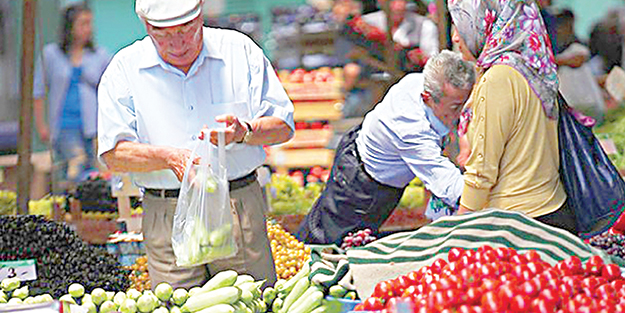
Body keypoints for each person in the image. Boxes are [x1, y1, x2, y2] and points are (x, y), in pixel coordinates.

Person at [97, 0, 294, 289]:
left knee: (252, 299)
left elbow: (283, 126)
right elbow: (114, 155)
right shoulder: (125, 69)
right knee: (177, 304)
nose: (177, 43)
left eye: (186, 29)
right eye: (162, 34)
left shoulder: (239, 51)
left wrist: (245, 131)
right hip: (167, 213)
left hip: (238, 205)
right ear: (145, 26)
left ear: (200, 13)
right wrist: (168, 158)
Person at [296, 50, 476, 245]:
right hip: (362, 185)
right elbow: (450, 187)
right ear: (427, 98)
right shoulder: (411, 127)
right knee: (328, 242)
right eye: (455, 107)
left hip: (363, 156)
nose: (461, 112)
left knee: (327, 225)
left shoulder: (420, 82)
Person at [449, 0, 576, 234]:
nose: (455, 37)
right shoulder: (530, 66)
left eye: (462, 24)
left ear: (486, 23)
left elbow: (482, 172)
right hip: (550, 209)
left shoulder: (498, 78)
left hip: (519, 223)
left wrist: (458, 230)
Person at [33, 3, 110, 186]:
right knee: (76, 165)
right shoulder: (51, 54)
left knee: (96, 172)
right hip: (64, 123)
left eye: (90, 23)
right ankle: (72, 206)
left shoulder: (100, 55)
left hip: (93, 125)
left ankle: (87, 209)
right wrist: (41, 125)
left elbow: (112, 88)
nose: (88, 29)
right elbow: (39, 91)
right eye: (82, 24)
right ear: (70, 26)